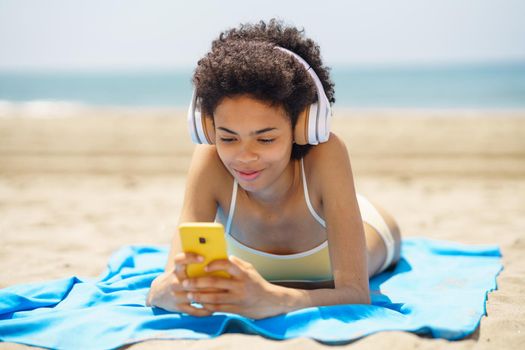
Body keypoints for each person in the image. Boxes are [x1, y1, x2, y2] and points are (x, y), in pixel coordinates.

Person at [146, 19, 401, 319]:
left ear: (302, 127)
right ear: (207, 127)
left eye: (265, 138)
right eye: (228, 138)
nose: (245, 157)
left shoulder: (326, 153)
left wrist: (272, 298)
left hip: (367, 223)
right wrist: (162, 292)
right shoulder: (209, 158)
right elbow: (166, 283)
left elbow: (356, 295)